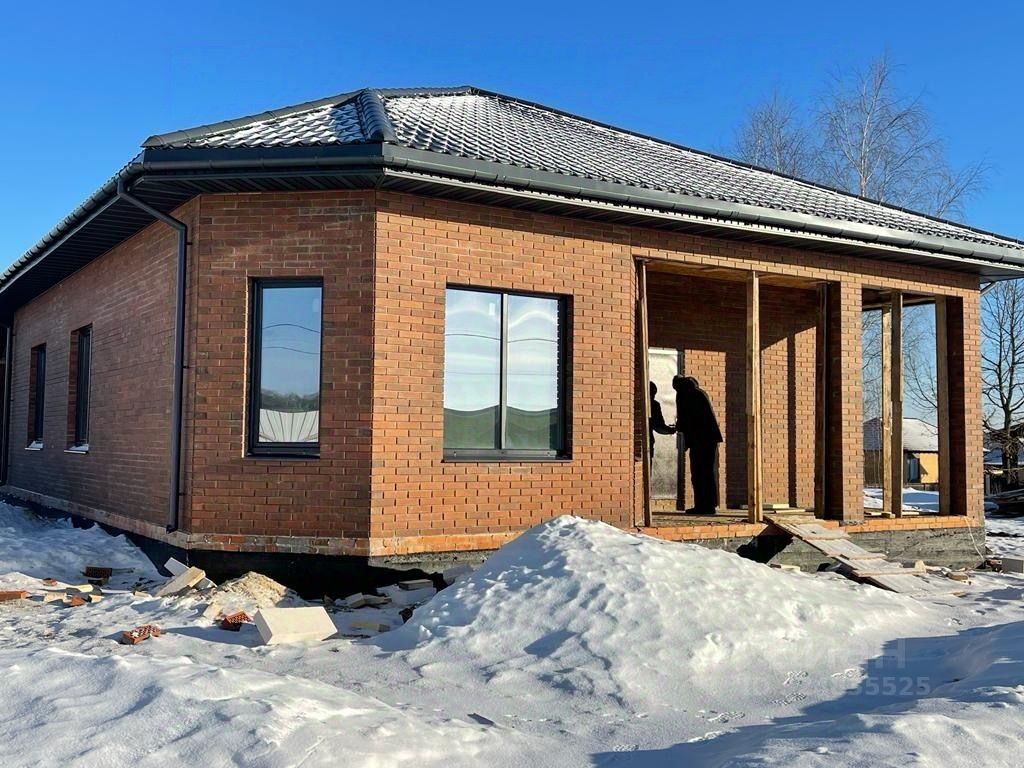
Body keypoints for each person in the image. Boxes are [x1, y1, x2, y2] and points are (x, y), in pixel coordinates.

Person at [672, 375, 722, 515]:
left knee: (698, 474)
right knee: (708, 473)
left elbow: (684, 417)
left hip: (699, 440)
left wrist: (676, 429)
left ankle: (702, 506)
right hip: (710, 439)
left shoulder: (683, 393)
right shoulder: (699, 392)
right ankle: (710, 505)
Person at [648, 382, 676, 455]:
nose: (653, 397)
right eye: (653, 394)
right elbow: (659, 426)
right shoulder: (654, 405)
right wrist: (671, 430)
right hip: (647, 443)